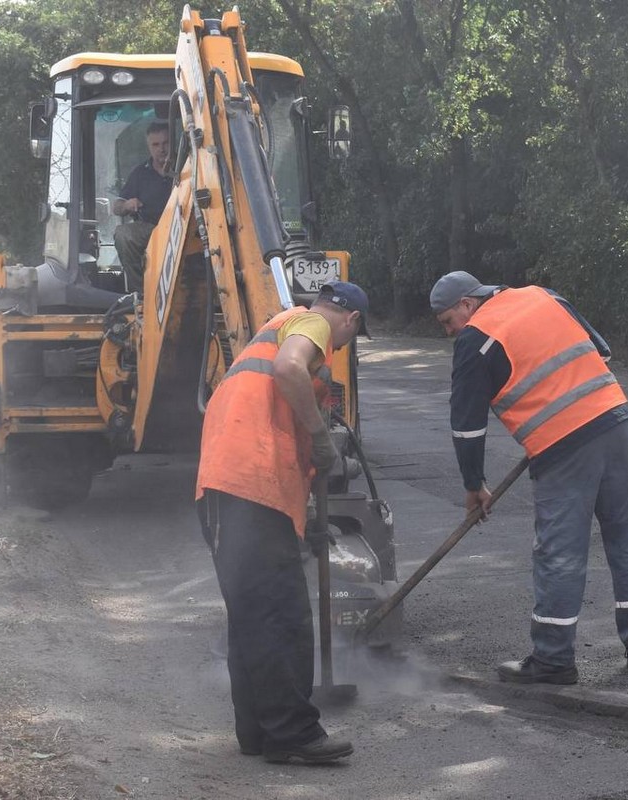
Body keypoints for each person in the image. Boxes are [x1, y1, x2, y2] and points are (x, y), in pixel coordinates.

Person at [430, 271, 628, 685]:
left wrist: (472, 486)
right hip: (614, 418)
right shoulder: (541, 295)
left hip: (564, 444)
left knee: (560, 552)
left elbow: (467, 427)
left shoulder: (475, 338)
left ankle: (553, 659)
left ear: (467, 303)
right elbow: (599, 351)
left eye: (448, 321)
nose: (449, 332)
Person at [195, 281, 368, 763]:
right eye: (352, 335)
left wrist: (306, 518)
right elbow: (289, 368)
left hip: (228, 487)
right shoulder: (310, 323)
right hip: (251, 483)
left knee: (252, 615)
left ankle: (260, 733)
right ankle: (295, 733)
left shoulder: (271, 330)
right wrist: (321, 436)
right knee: (282, 615)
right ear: (350, 320)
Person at [112, 122, 173, 293]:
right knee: (123, 234)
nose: (161, 149)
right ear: (149, 147)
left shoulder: (187, 167)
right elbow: (116, 207)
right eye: (156, 144)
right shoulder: (140, 174)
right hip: (150, 229)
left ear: (173, 143)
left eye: (165, 143)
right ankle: (142, 292)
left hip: (185, 227)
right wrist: (126, 205)